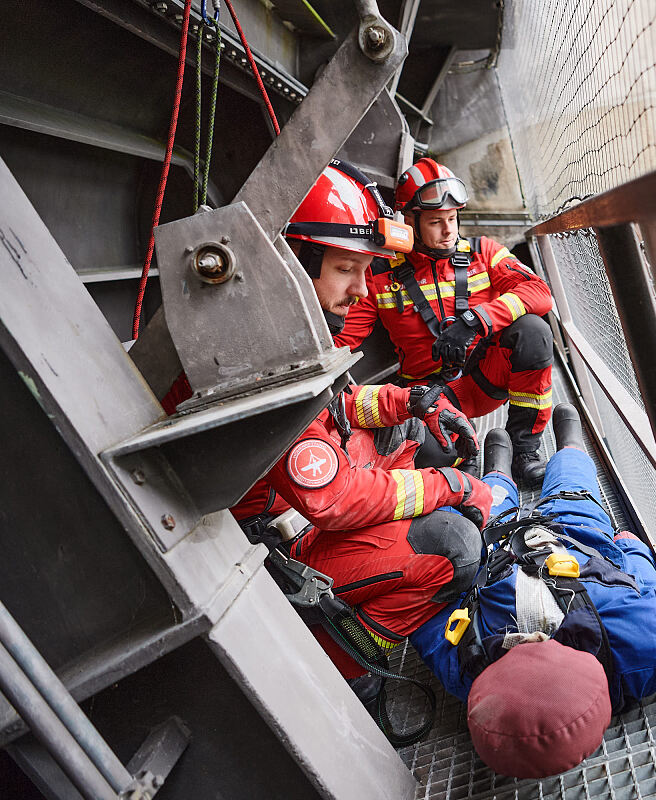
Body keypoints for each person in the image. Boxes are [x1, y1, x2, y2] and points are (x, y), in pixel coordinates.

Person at [228, 162, 493, 716]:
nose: (360, 289)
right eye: (346, 268)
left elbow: (339, 406)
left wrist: (412, 402)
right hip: (290, 546)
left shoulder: (289, 329)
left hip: (315, 500)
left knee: (436, 435)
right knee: (454, 547)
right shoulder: (262, 364)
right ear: (293, 267)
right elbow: (338, 499)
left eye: (366, 269)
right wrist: (448, 487)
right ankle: (351, 667)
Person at [408, 403, 656, 778]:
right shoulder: (650, 646)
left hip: (510, 550)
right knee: (568, 494)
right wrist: (629, 545)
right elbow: (427, 627)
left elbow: (424, 623)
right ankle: (546, 451)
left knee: (552, 498)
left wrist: (629, 545)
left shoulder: (655, 646)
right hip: (561, 542)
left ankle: (503, 466)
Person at [335, 157, 555, 485]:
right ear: (410, 221)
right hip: (428, 397)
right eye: (437, 221)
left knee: (534, 331)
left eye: (452, 218)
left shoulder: (484, 252)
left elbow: (539, 292)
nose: (449, 230)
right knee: (428, 458)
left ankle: (523, 451)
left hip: (483, 376)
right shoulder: (379, 276)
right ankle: (462, 457)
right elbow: (343, 345)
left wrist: (476, 320)